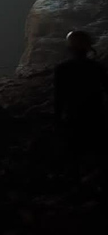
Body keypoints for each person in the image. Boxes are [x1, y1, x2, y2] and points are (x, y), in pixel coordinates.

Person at [54, 30, 108, 181]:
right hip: (96, 118)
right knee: (99, 157)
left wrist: (57, 120)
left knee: (74, 158)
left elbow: (59, 97)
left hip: (73, 118)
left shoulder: (62, 69)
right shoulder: (97, 68)